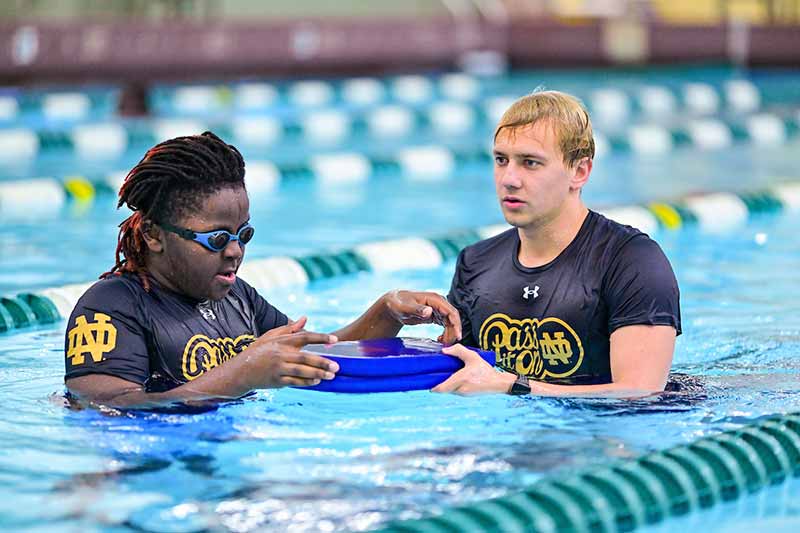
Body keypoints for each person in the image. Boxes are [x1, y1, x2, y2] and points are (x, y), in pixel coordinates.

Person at [65, 132, 461, 409]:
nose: (236, 251)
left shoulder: (237, 296)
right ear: (154, 234)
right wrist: (244, 373)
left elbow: (315, 356)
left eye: (244, 234)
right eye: (217, 239)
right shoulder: (111, 308)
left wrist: (384, 312)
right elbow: (105, 412)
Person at [431, 90, 681, 397]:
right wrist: (388, 311)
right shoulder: (476, 262)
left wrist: (514, 387)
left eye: (530, 163)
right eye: (501, 160)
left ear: (579, 171)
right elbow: (458, 375)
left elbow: (641, 392)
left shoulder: (631, 260)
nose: (509, 178)